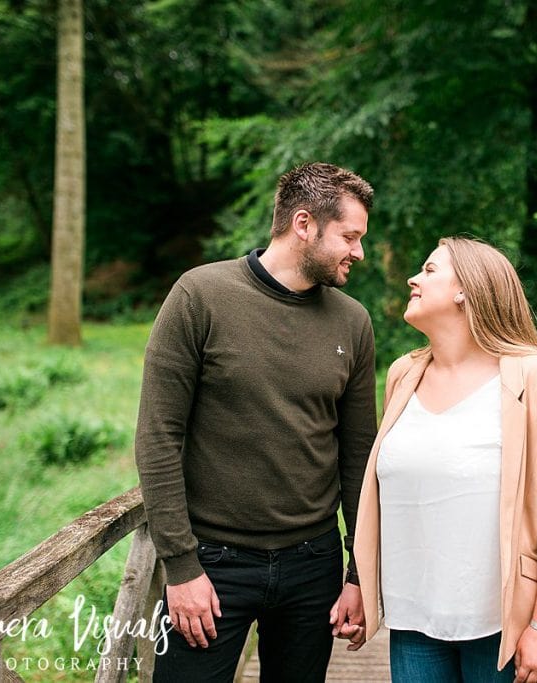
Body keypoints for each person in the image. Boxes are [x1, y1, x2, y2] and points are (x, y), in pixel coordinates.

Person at [134, 162, 377, 682]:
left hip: (313, 564)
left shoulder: (353, 322)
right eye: (350, 237)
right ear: (304, 224)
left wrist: (360, 573)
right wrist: (180, 566)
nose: (359, 252)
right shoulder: (200, 296)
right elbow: (158, 438)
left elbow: (359, 454)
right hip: (212, 564)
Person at [350, 237, 537, 683]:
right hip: (413, 618)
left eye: (429, 270)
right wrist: (357, 582)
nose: (413, 279)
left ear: (466, 290)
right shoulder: (405, 373)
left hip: (505, 624)